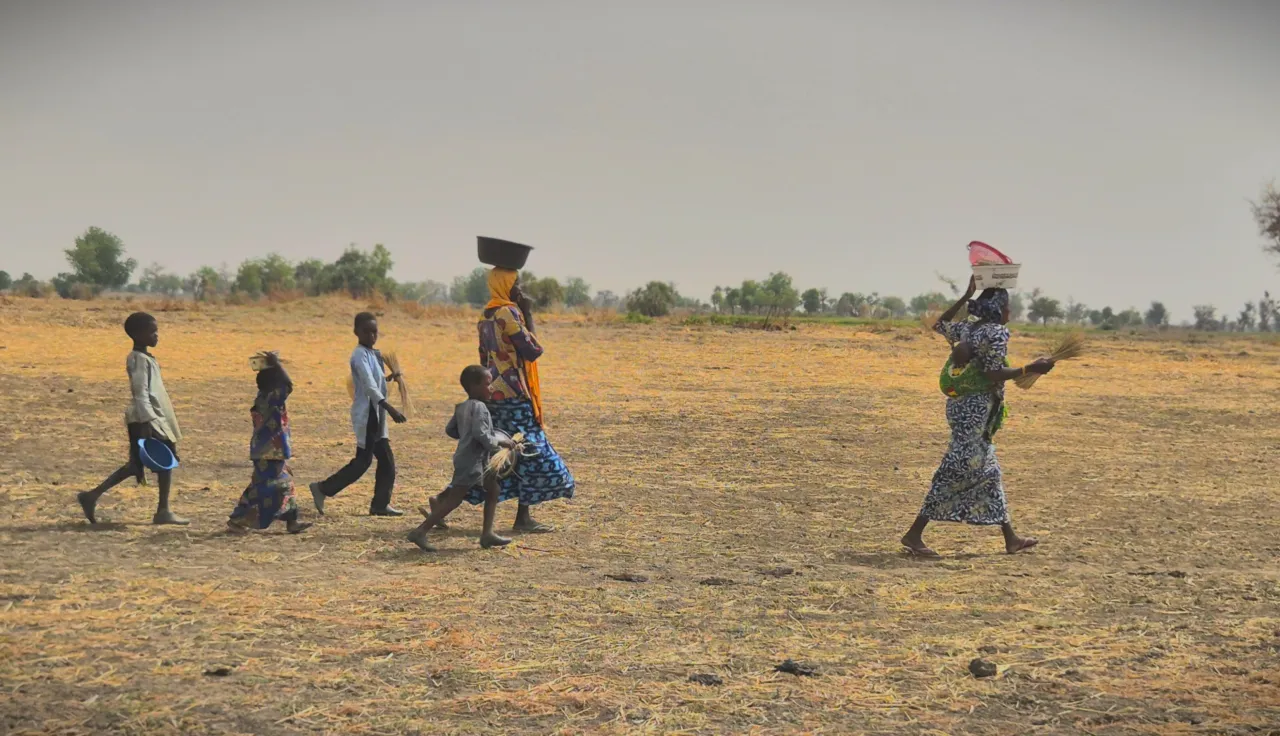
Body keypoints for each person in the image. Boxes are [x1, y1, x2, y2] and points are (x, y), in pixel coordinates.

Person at [900, 277, 1054, 557]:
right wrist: (1028, 368)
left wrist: (966, 295)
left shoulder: (970, 328)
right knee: (956, 466)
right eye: (1007, 307)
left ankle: (1011, 538)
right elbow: (993, 373)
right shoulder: (996, 333)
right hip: (976, 408)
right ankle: (914, 533)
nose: (1010, 312)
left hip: (962, 407)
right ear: (997, 309)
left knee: (989, 470)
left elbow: (939, 325)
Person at [426, 268, 575, 533]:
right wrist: (527, 311)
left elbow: (485, 359)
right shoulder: (509, 312)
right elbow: (533, 350)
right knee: (531, 453)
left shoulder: (486, 316)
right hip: (514, 396)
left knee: (499, 457)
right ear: (505, 285)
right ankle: (520, 517)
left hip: (492, 393)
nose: (520, 288)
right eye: (516, 283)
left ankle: (445, 498)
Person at [77, 312, 188, 525]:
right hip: (146, 418)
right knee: (163, 460)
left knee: (139, 464)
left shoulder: (145, 358)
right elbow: (140, 392)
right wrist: (149, 423)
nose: (157, 335)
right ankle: (163, 511)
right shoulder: (137, 359)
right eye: (152, 331)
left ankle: (91, 496)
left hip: (151, 417)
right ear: (137, 334)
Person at [408, 365, 515, 551]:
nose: (491, 388)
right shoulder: (480, 407)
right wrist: (502, 444)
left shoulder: (462, 407)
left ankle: (487, 534)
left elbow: (451, 430)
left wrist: (465, 436)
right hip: (471, 461)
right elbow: (481, 434)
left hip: (470, 458)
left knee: (493, 489)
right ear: (473, 387)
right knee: (454, 499)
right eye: (487, 384)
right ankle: (420, 531)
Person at [309, 313, 407, 517]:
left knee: (386, 461)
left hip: (377, 412)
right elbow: (370, 386)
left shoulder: (373, 354)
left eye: (375, 332)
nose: (372, 336)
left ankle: (380, 504)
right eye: (366, 332)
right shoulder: (358, 355)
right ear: (356, 332)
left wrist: (391, 378)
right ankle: (323, 489)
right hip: (369, 413)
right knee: (364, 462)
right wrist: (390, 408)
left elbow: (376, 382)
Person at [227, 352, 311, 534]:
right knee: (265, 487)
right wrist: (278, 364)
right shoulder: (272, 400)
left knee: (283, 485)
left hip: (269, 451)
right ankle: (238, 518)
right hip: (269, 452)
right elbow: (288, 385)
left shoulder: (263, 399)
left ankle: (291, 521)